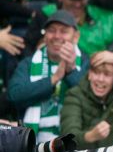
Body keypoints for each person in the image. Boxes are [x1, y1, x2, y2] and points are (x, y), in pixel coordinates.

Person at [9, 10, 87, 143]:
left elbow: (90, 100)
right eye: (51, 30)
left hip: (73, 145)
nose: (57, 36)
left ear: (76, 37)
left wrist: (71, 71)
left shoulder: (86, 62)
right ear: (45, 36)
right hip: (30, 147)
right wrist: (53, 79)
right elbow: (14, 96)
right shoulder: (28, 63)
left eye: (63, 31)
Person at [60, 50, 113, 150]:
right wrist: (90, 136)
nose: (101, 79)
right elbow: (67, 138)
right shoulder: (75, 95)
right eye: (96, 73)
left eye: (107, 74)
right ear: (89, 74)